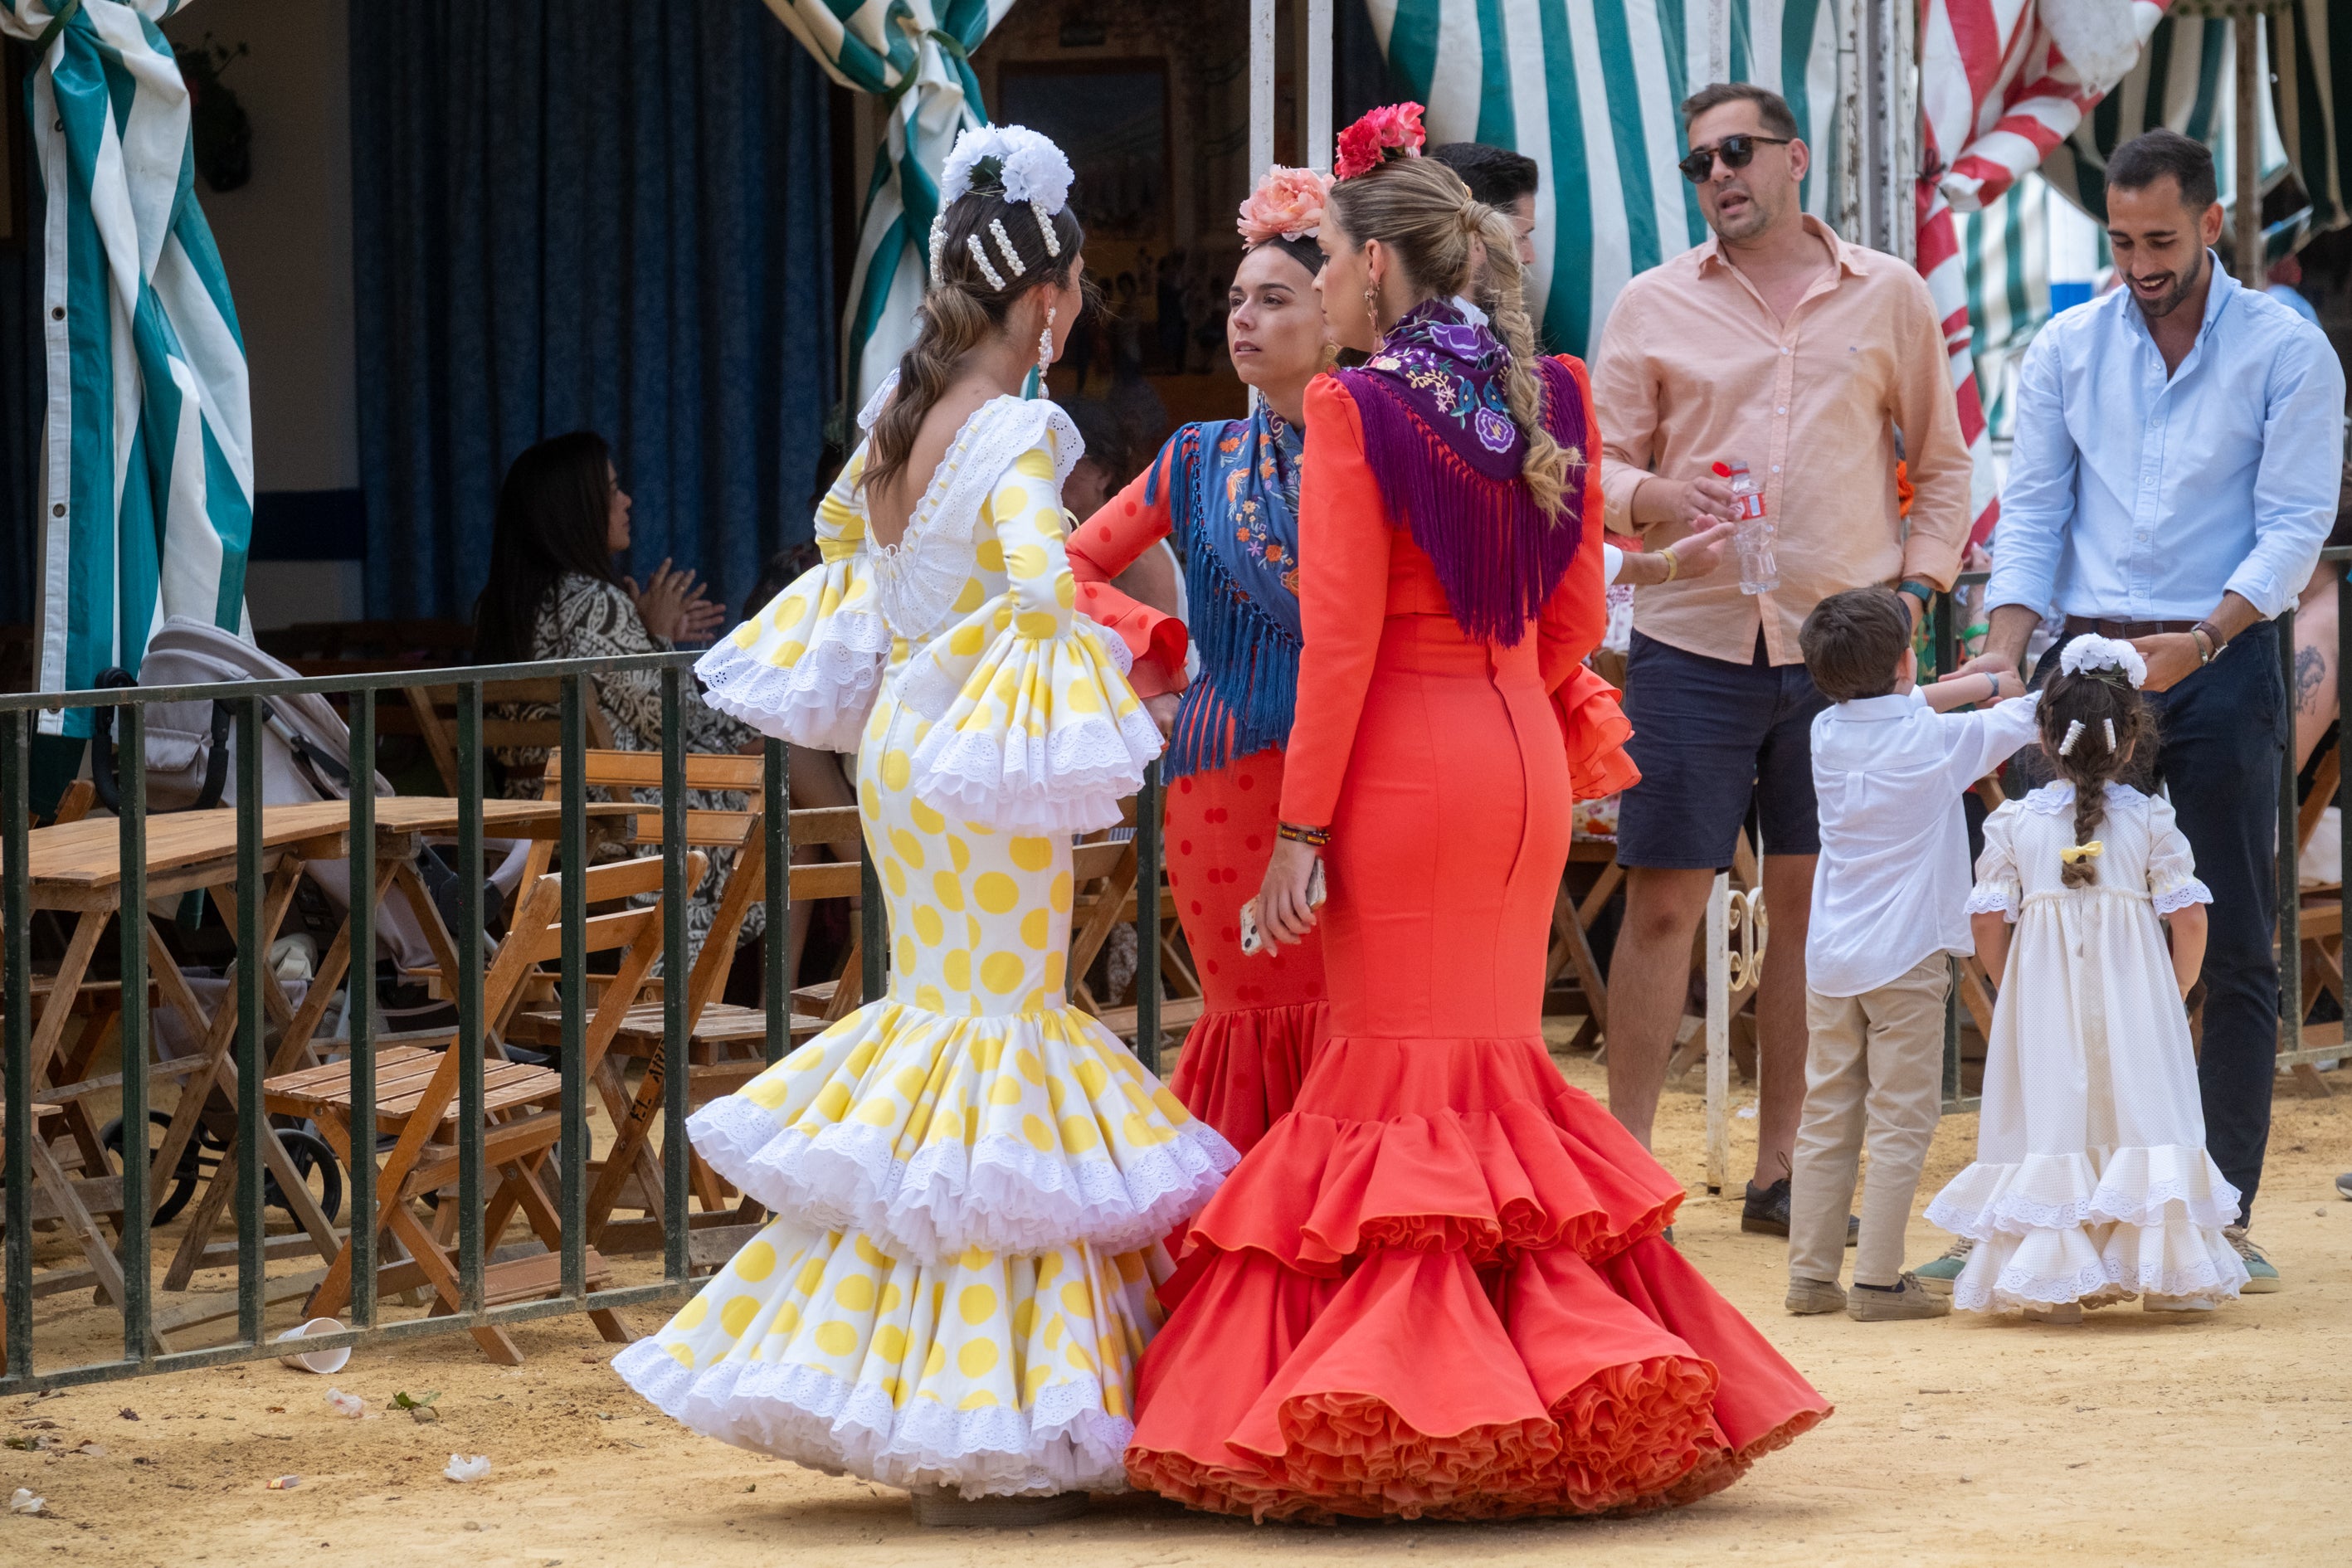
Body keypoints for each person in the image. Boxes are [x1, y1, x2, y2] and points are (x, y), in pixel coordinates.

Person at [1124, 105, 1829, 1522]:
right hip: (1518, 758)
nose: (1314, 285)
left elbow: (1338, 649)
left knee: (1397, 1085)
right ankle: (1576, 1372)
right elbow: (1573, 618)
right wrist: (1501, 697)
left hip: (1399, 766)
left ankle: (1429, 1397)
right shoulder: (1550, 391)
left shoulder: (1356, 407)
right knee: (1493, 1080)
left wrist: (1302, 836)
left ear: (1377, 273)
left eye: (1324, 264)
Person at [614, 125, 1234, 1512]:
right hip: (979, 745)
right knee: (1001, 1027)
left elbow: (851, 562)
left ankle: (916, 1378)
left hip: (907, 740)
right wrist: (1126, 659)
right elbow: (1034, 573)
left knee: (944, 1013)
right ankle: (1001, 1402)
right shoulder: (1016, 427)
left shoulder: (895, 422)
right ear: (1050, 299)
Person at [1948, 129, 2344, 1293]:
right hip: (2076, 660)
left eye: (2159, 240)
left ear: (2212, 224)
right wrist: (1999, 656)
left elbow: (2291, 523)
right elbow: (2029, 509)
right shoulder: (2066, 343)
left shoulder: (2285, 344)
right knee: (2034, 927)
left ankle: (2211, 1216)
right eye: (2119, 241)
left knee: (2224, 932)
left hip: (2218, 649)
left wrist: (2207, 638)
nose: (2138, 263)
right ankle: (2037, 1216)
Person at [1590, 82, 1973, 1239]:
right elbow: (1593, 472)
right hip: (1690, 639)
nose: (1719, 174)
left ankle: (1781, 1173)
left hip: (1839, 656)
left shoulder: (1888, 293)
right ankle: (1622, 1178)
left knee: (1810, 911)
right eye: (1698, 160)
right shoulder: (1650, 303)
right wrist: (1658, 494)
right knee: (1660, 903)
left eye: (1738, 151)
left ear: (1794, 157)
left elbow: (1944, 467)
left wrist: (1912, 592)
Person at [1066, 164, 1335, 1154]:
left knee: (1354, 1028)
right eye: (1235, 301)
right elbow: (1072, 567)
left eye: (1275, 299)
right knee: (1252, 1020)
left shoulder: (1382, 446)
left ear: (1338, 309)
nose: (1244, 320)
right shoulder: (1198, 457)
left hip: (1365, 776)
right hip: (1223, 786)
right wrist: (1156, 665)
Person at [1926, 636, 2250, 1320]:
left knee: (2054, 1116)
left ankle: (2055, 1282)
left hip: (2041, 998)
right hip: (2140, 998)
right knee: (2139, 1106)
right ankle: (2170, 1277)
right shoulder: (2152, 819)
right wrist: (2176, 989)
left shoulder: (2011, 823)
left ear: (2042, 739)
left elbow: (1987, 923)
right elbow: (2188, 919)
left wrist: (2013, 986)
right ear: (2131, 742)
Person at [1781, 589, 2034, 1325]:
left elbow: (1903, 700)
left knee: (1826, 1114)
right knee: (1901, 1117)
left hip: (1831, 959)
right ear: (1902, 660)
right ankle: (1878, 1282)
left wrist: (1980, 681)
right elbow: (2028, 715)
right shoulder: (1933, 740)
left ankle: (1810, 1275)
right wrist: (2000, 684)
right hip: (1910, 954)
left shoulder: (1825, 730)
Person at [472, 431, 753, 964]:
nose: (626, 501)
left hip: (534, 823)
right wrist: (662, 638)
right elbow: (675, 719)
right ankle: (790, 994)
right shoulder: (595, 603)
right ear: (575, 509)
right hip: (615, 820)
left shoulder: (501, 607)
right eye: (613, 489)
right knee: (784, 792)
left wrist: (646, 630)